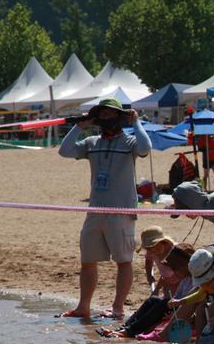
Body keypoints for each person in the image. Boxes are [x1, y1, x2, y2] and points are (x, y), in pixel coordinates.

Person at [57, 97, 152, 319]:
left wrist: (136, 122)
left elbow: (145, 147)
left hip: (121, 212)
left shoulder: (129, 143)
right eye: (103, 114)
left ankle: (118, 308)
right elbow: (65, 151)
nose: (107, 118)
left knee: (123, 260)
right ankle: (83, 307)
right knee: (88, 260)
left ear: (120, 117)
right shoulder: (92, 143)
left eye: (111, 114)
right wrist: (79, 127)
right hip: (95, 211)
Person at [136, 225, 175, 293]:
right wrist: (149, 275)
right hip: (167, 279)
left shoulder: (173, 253)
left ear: (163, 243)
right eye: (148, 249)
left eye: (156, 248)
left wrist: (156, 290)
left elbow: (166, 276)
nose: (151, 252)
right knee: (166, 293)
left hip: (180, 280)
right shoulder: (151, 251)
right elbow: (148, 261)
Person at [188, 126, 214, 191]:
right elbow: (200, 149)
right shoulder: (202, 137)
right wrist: (207, 150)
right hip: (206, 159)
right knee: (206, 176)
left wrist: (213, 149)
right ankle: (205, 189)